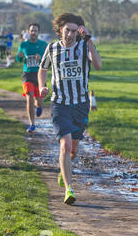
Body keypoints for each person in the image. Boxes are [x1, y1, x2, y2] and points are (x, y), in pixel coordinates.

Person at [38, 13, 102, 205]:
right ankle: (69, 189)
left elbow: (97, 65)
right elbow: (43, 69)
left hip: (81, 104)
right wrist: (42, 86)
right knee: (64, 145)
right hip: (60, 103)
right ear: (60, 30)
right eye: (68, 30)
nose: (71, 34)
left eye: (75, 31)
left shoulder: (84, 46)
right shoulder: (52, 48)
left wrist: (89, 40)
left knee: (73, 150)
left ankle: (63, 169)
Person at [16, 23, 48, 133]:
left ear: (38, 32)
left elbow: (48, 61)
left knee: (39, 101)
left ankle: (39, 106)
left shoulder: (43, 44)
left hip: (39, 75)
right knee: (29, 98)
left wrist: (40, 59)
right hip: (27, 74)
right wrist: (19, 57)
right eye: (32, 30)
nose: (33, 32)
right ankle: (32, 124)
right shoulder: (24, 45)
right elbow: (19, 59)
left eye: (35, 30)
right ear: (28, 32)